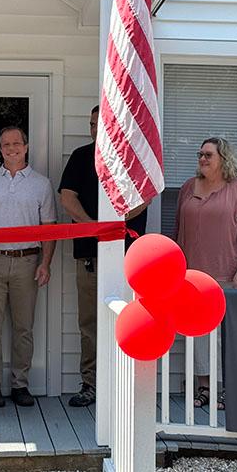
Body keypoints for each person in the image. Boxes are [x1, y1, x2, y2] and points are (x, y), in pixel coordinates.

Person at [58, 105, 148, 407]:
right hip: (89, 257)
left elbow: (145, 196)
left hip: (128, 258)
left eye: (100, 124)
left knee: (128, 321)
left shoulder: (132, 157)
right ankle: (92, 383)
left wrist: (115, 225)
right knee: (90, 323)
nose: (95, 129)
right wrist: (92, 227)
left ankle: (125, 388)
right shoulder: (81, 156)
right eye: (91, 123)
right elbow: (67, 198)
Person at [0, 127, 57, 408]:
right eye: (6, 144)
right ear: (0, 148)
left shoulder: (41, 184)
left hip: (27, 262)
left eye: (17, 143)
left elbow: (49, 229)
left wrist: (45, 263)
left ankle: (20, 384)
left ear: (26, 146)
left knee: (23, 328)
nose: (11, 148)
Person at [174, 137, 237, 411]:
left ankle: (226, 390)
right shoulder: (189, 187)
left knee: (226, 338)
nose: (202, 159)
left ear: (223, 159)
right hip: (191, 278)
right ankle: (204, 388)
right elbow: (178, 229)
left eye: (208, 155)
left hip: (226, 277)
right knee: (198, 336)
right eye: (200, 154)